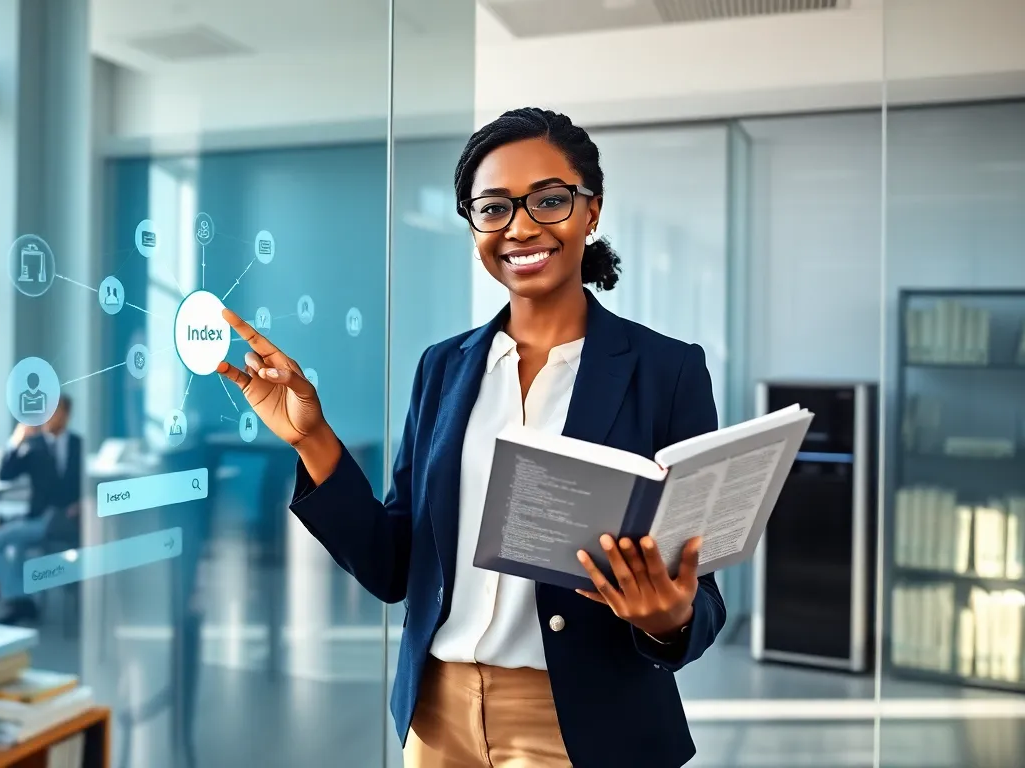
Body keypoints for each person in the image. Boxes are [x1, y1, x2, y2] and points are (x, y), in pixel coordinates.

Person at [218, 108, 724, 768]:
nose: (521, 226)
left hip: (583, 723)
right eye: (493, 208)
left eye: (549, 200)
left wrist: (667, 619)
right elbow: (394, 567)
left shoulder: (666, 371)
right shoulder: (443, 367)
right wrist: (311, 440)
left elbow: (701, 597)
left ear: (591, 211)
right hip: (439, 718)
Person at [0, 395, 83, 625]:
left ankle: (20, 602)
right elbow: (5, 474)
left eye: (55, 411)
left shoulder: (79, 445)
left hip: (66, 520)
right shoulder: (33, 445)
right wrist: (16, 441)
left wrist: (80, 504)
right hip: (38, 518)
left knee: (15, 543)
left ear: (66, 414)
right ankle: (20, 601)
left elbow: (87, 484)